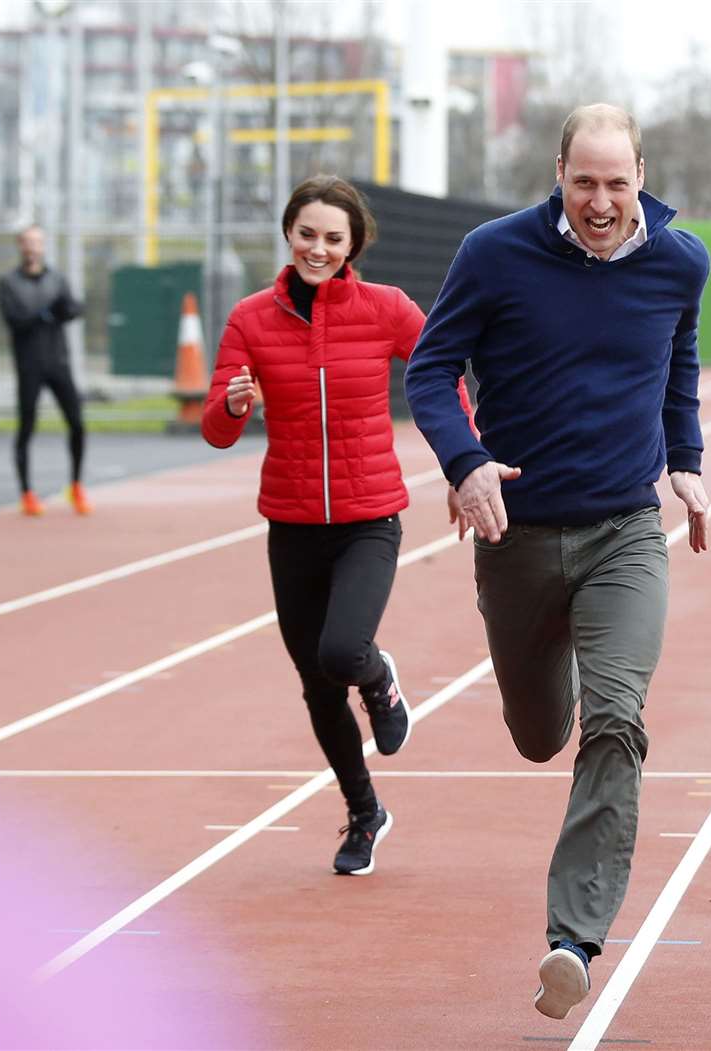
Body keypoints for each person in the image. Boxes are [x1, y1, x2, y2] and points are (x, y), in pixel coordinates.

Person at [403, 103, 711, 1022]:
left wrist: (685, 460)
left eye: (619, 183)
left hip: (624, 531)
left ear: (642, 177)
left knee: (616, 721)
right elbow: (430, 368)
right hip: (518, 537)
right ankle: (554, 682)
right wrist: (465, 465)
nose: (603, 202)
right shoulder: (495, 254)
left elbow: (679, 363)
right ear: (558, 173)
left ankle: (571, 938)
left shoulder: (681, 261)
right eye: (585, 182)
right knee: (541, 732)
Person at [202, 175, 445, 877]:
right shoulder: (251, 318)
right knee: (315, 684)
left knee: (343, 651)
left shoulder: (387, 309)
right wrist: (235, 405)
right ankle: (364, 812)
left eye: (333, 238)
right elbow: (216, 427)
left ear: (352, 245)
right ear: (289, 234)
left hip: (370, 517)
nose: (318, 248)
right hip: (293, 522)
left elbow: (438, 374)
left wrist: (466, 460)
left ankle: (381, 678)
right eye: (307, 233)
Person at [0, 225, 88, 516]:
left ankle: (75, 486)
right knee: (26, 427)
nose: (32, 247)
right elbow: (16, 321)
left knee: (77, 423)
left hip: (58, 362)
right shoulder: (8, 283)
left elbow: (74, 309)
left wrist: (64, 310)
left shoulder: (57, 279)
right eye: (27, 242)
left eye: (37, 242)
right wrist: (45, 313)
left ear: (43, 246)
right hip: (29, 365)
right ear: (20, 246)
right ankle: (27, 492)